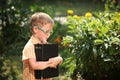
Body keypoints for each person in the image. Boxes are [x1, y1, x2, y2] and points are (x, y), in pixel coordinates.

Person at [22, 12, 63, 80]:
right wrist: (50, 63)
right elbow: (34, 65)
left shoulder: (45, 44)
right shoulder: (30, 46)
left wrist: (59, 59)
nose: (49, 35)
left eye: (50, 32)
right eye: (46, 31)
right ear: (35, 29)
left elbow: (56, 57)